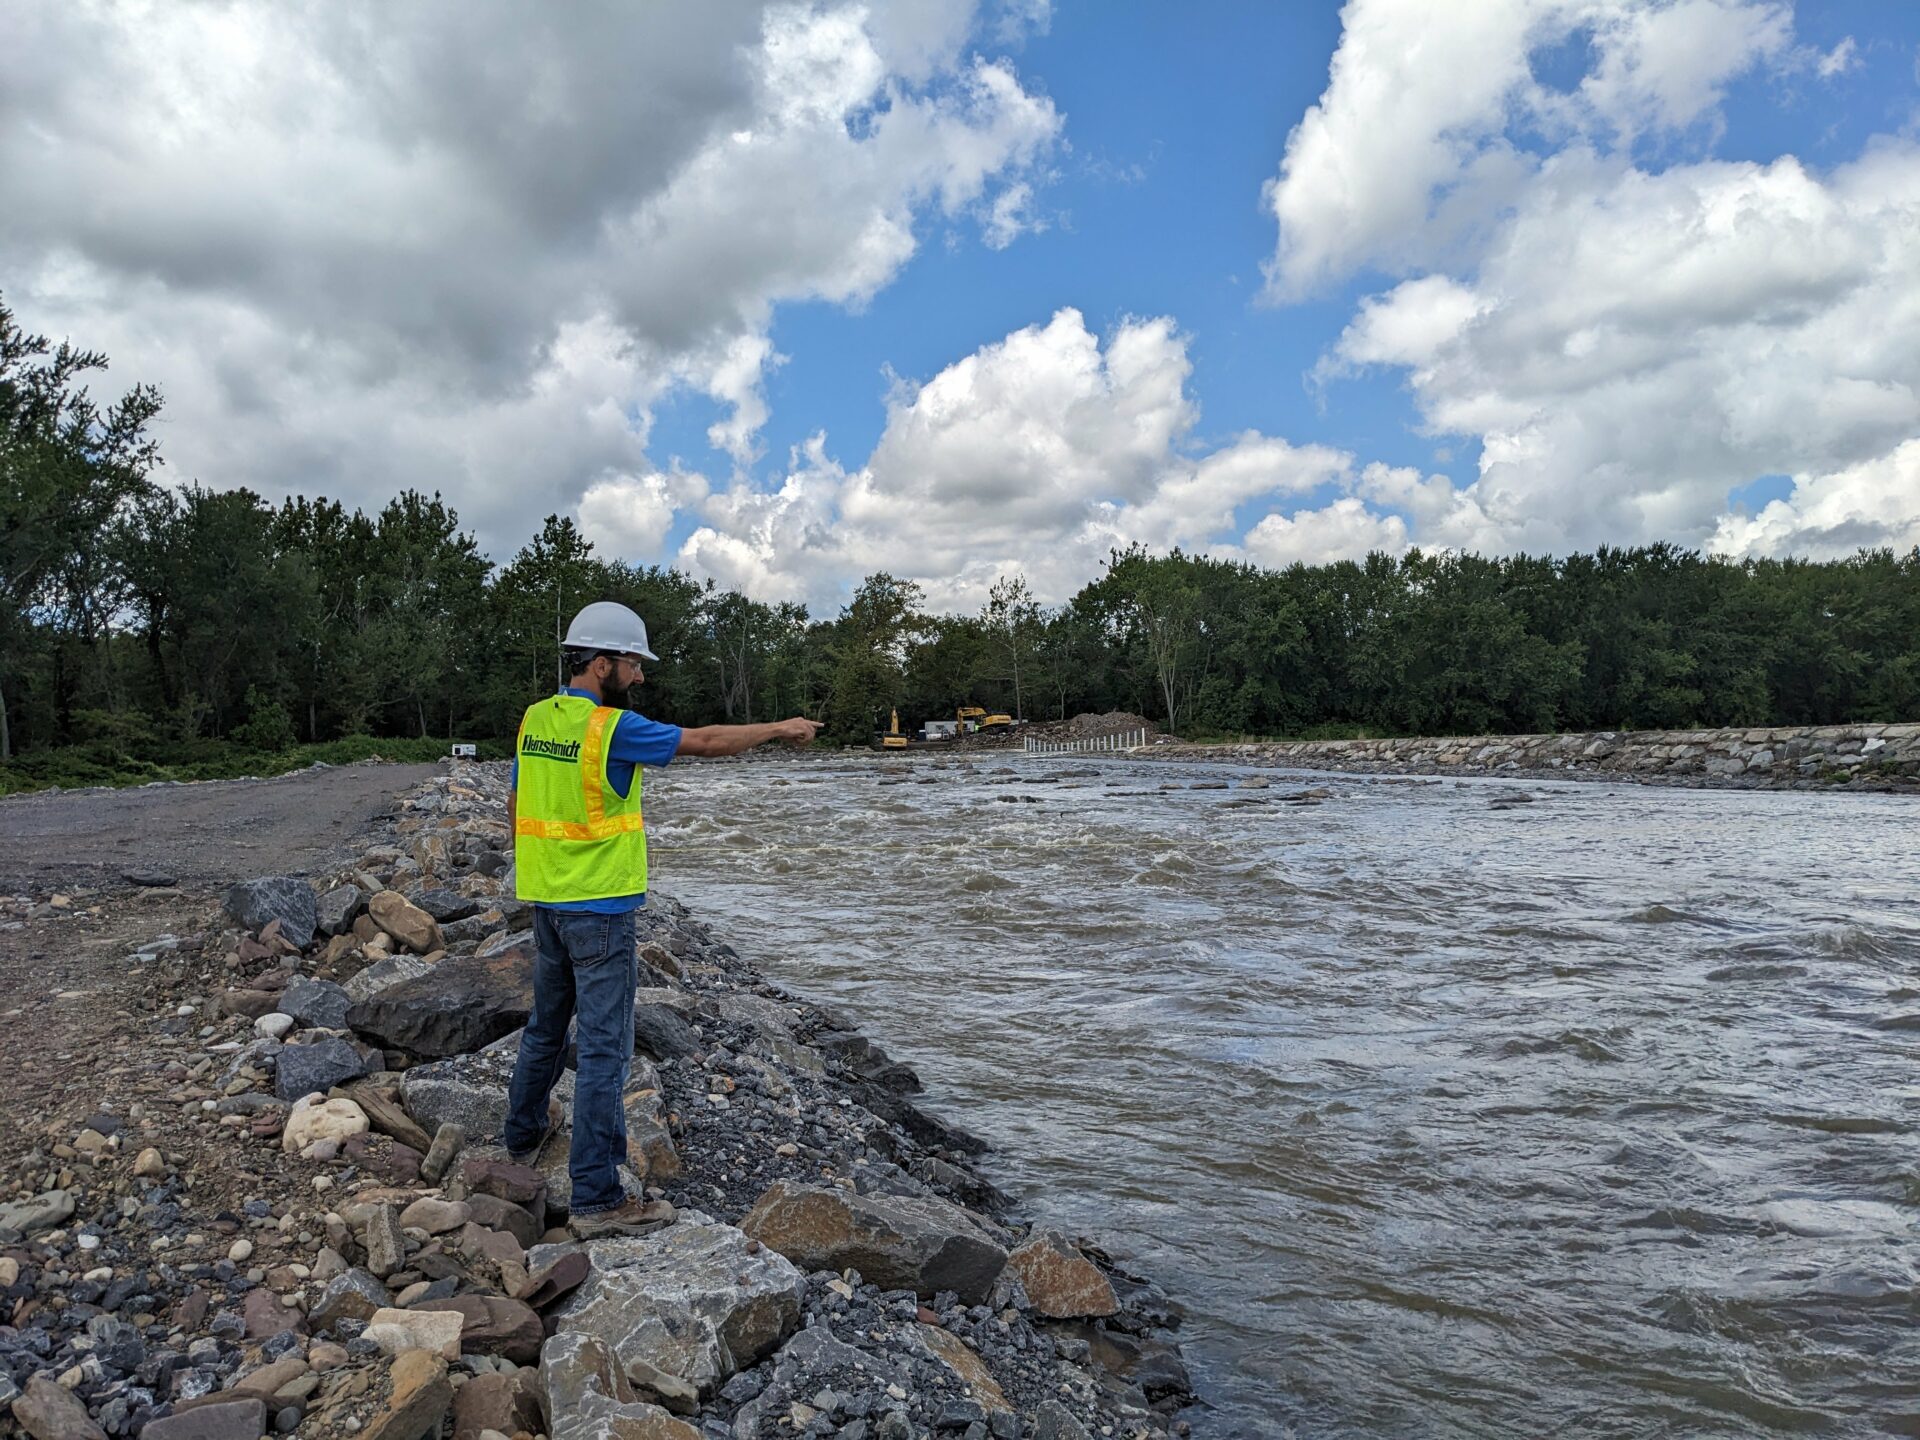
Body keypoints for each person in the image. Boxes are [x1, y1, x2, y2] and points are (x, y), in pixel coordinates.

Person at [502, 600, 819, 1238]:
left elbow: (518, 802)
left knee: (543, 1030)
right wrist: (780, 728)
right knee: (602, 1052)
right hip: (601, 910)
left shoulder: (536, 719)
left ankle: (522, 1138)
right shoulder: (610, 729)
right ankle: (597, 1197)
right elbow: (703, 742)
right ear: (600, 663)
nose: (640, 677)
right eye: (632, 664)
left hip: (548, 901)